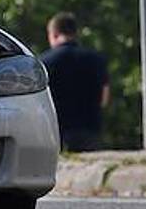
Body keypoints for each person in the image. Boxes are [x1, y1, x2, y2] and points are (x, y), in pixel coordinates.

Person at [40, 12, 110, 152]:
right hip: (90, 133)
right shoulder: (96, 59)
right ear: (75, 33)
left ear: (53, 34)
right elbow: (104, 98)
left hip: (56, 135)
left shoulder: (44, 63)